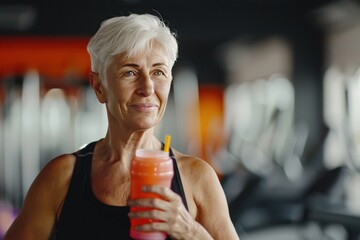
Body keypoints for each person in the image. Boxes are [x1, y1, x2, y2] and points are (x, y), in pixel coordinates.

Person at [4, 13, 240, 240]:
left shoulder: (197, 178)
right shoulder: (61, 177)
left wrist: (190, 231)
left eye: (158, 72)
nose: (147, 88)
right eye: (130, 72)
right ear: (98, 86)